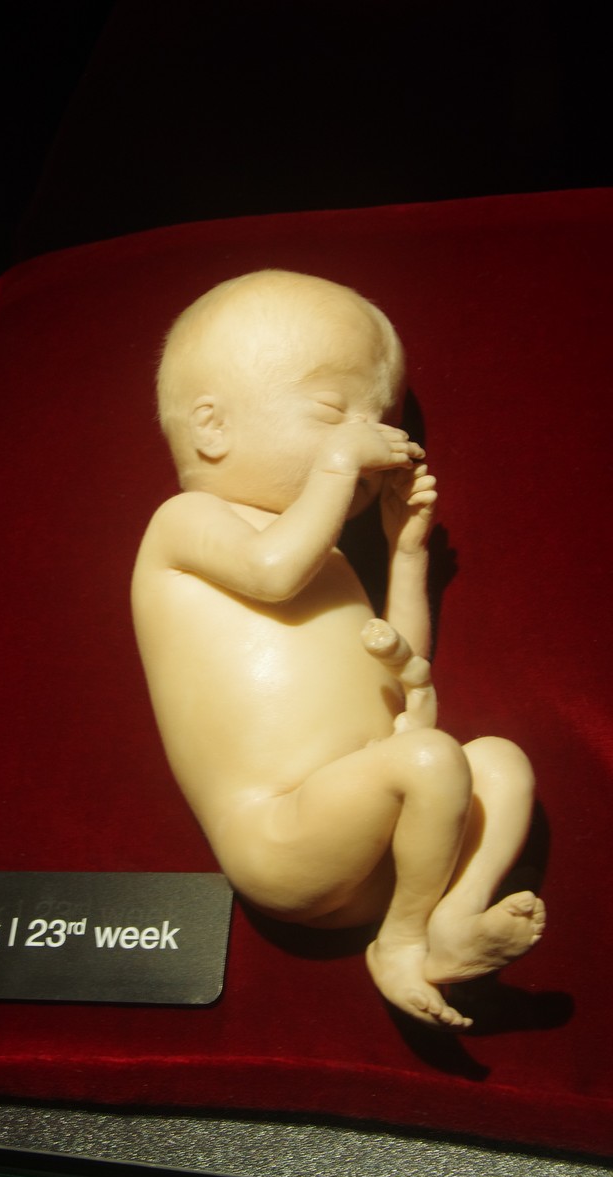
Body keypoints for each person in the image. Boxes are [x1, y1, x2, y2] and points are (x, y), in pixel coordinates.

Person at [131, 269, 544, 1029]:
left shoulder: (332, 562)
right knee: (431, 760)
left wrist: (406, 553)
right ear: (212, 427)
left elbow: (397, 671)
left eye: (377, 419)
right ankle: (400, 944)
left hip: (391, 833)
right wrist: (336, 465)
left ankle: (451, 918)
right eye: (332, 412)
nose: (368, 438)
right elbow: (271, 573)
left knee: (499, 762)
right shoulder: (185, 522)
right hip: (285, 837)